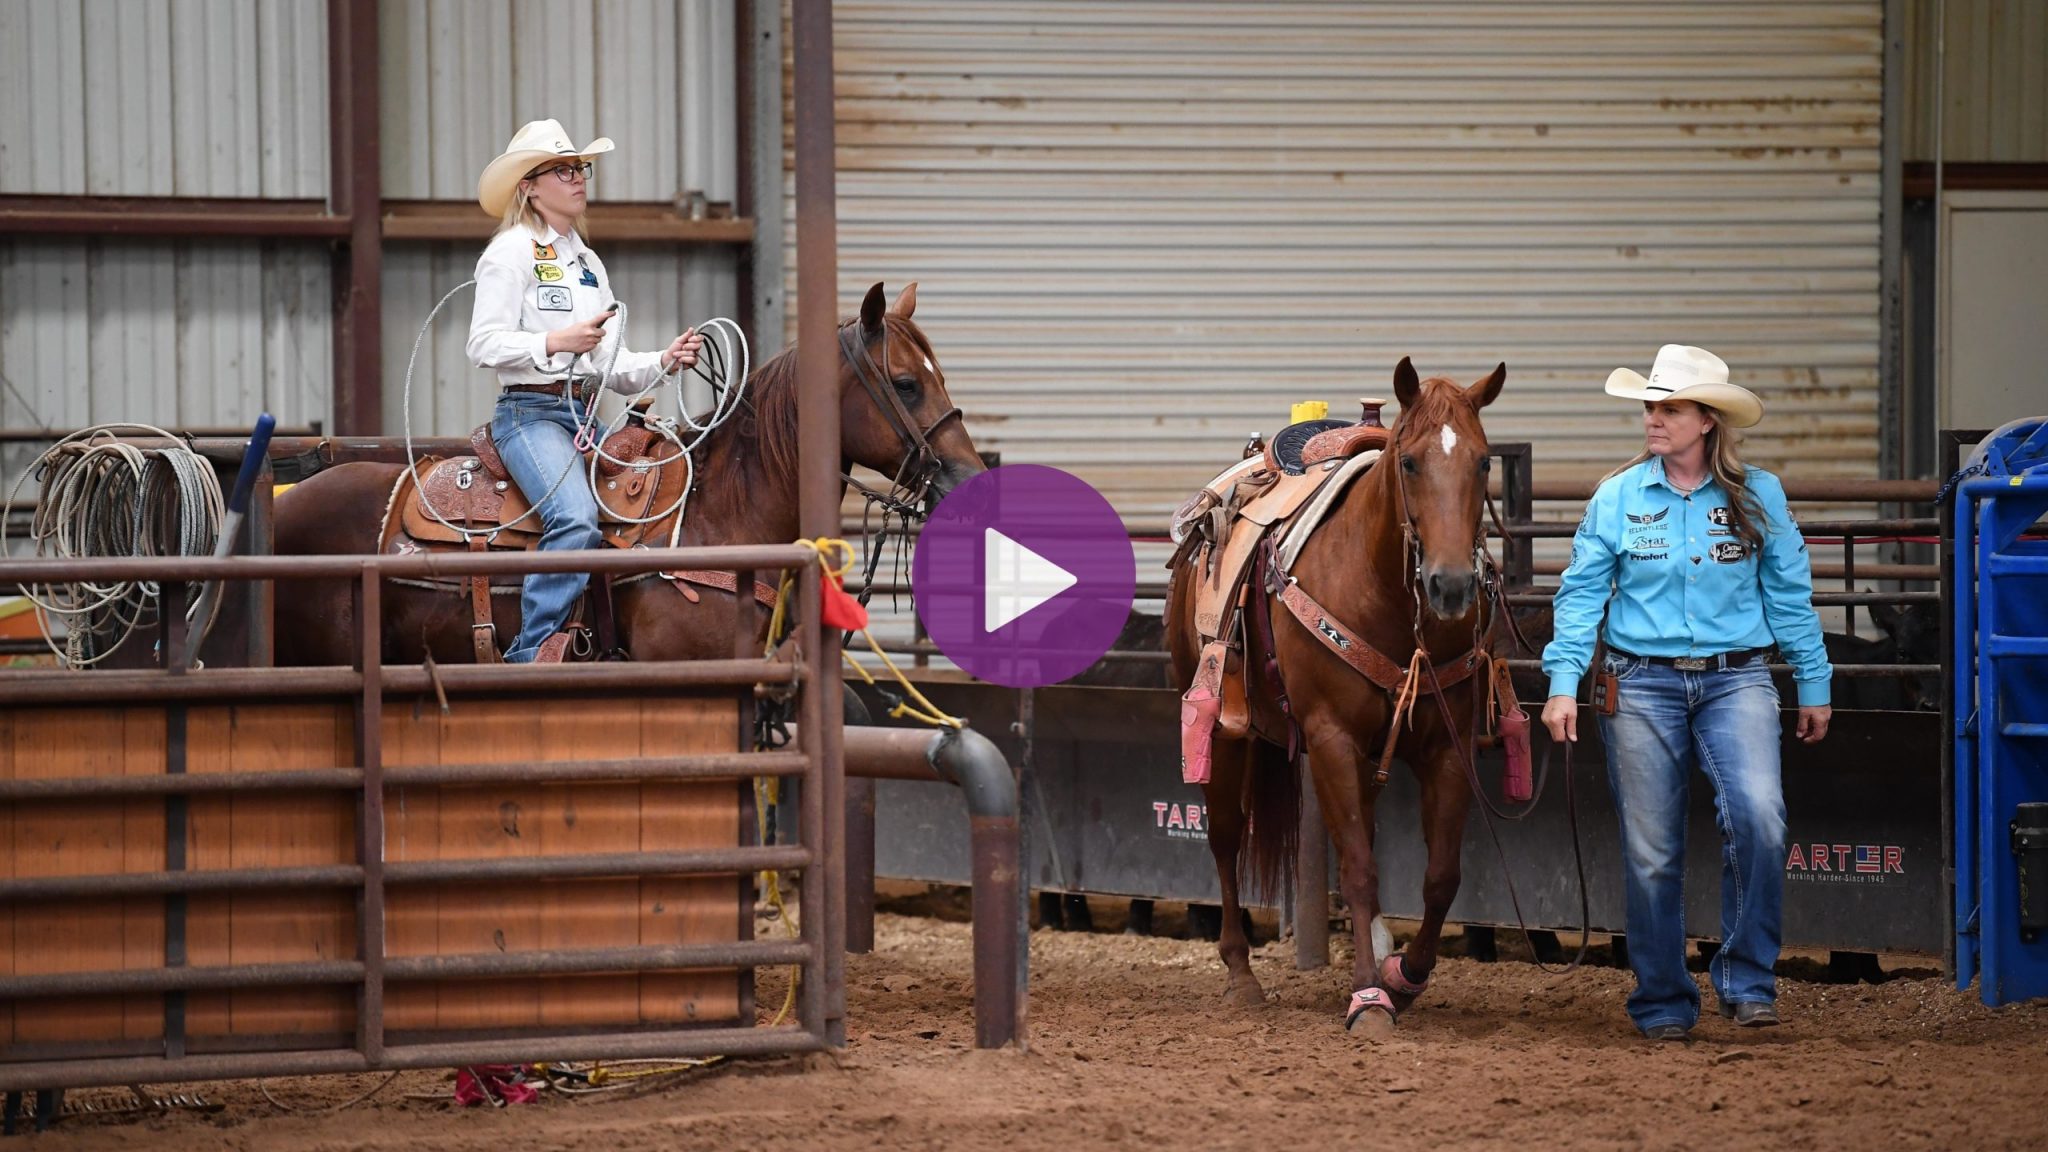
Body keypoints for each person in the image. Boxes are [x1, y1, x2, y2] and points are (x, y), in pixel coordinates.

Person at [1538, 344, 1833, 1041]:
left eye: (1669, 407)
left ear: (1707, 420)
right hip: (1640, 683)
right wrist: (1561, 684)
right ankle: (1664, 1000)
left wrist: (1814, 680)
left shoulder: (1759, 494)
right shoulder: (1617, 496)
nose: (1653, 419)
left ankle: (1748, 980)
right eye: (1650, 406)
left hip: (1739, 677)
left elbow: (1789, 595)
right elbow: (1580, 598)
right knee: (1651, 850)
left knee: (1760, 818)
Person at [467, 119, 703, 663]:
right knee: (574, 517)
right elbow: (482, 344)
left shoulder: (587, 264)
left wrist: (665, 361)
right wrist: (555, 341)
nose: (579, 179)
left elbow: (611, 366)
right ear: (529, 185)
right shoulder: (510, 252)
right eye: (565, 170)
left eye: (581, 169)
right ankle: (528, 654)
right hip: (530, 415)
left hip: (587, 415)